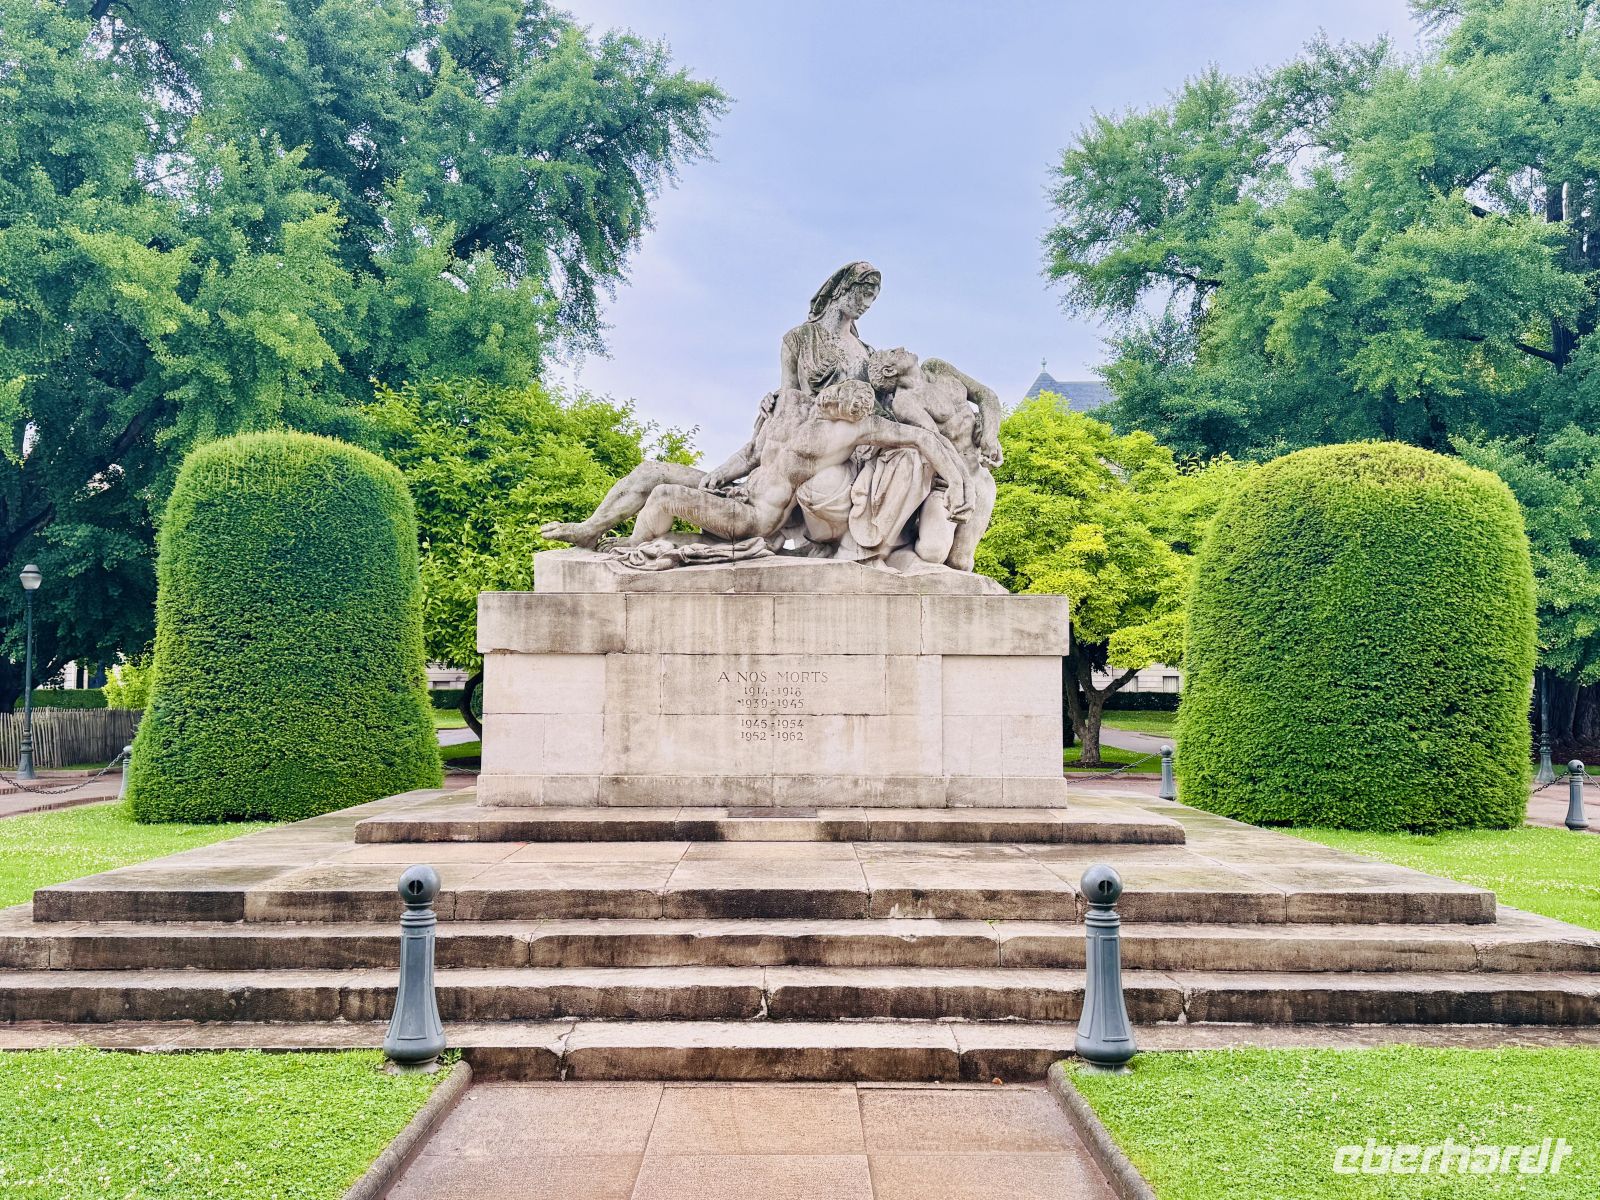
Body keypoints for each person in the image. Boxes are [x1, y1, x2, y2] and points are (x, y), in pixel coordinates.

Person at [549, 379, 972, 550]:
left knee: (665, 496)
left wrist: (957, 482)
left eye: (851, 407)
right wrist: (721, 473)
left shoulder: (849, 432)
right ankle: (592, 529)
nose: (839, 403)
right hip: (738, 489)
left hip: (755, 515)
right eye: (841, 395)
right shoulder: (792, 407)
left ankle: (632, 551)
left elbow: (920, 437)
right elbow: (752, 453)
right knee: (651, 470)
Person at [865, 347, 1002, 571]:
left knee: (961, 562)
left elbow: (987, 396)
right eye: (893, 353)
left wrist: (990, 437)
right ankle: (899, 549)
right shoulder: (904, 402)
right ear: (889, 370)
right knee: (933, 553)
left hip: (980, 477)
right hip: (946, 485)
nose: (900, 348)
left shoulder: (937, 368)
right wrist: (957, 481)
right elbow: (938, 444)